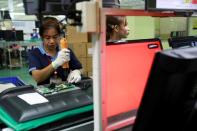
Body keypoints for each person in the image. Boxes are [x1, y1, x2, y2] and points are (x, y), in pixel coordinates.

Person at [28, 17, 82, 85]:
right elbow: (37, 78)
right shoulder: (35, 53)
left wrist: (77, 72)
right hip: (46, 93)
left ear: (59, 35)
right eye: (47, 38)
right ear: (42, 37)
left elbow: (80, 68)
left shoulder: (66, 51)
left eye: (55, 37)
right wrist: (55, 64)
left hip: (65, 90)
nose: (52, 41)